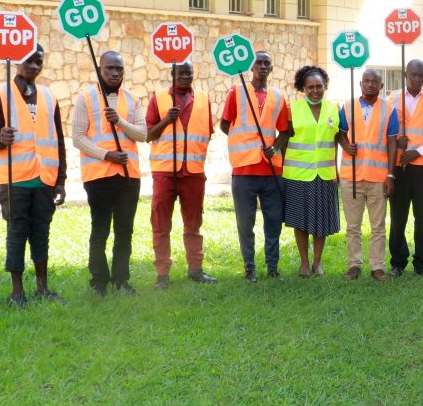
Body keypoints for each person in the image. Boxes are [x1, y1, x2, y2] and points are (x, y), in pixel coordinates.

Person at [0, 45, 66, 307]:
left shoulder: (49, 97)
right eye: (28, 61)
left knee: (41, 232)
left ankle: (43, 287)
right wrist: (0, 138)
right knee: (17, 233)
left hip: (44, 178)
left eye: (38, 61)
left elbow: (59, 140)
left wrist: (61, 179)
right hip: (14, 179)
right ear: (16, 62)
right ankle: (17, 292)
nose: (33, 66)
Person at [72, 51, 145, 296]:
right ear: (100, 70)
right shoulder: (86, 98)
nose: (115, 73)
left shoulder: (132, 98)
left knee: (125, 231)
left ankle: (121, 280)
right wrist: (107, 155)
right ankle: (99, 282)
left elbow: (143, 134)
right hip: (99, 176)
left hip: (129, 176)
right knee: (100, 229)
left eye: (119, 69)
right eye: (109, 69)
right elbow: (78, 138)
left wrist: (121, 122)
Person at [145, 61, 216, 289]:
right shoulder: (158, 98)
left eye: (189, 73)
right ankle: (162, 274)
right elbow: (147, 134)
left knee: (193, 223)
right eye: (180, 73)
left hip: (194, 173)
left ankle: (195, 269)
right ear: (172, 74)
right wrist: (167, 119)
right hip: (164, 172)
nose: (185, 76)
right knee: (161, 223)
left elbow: (207, 133)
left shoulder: (204, 99)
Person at [220, 51, 289, 283]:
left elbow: (286, 131)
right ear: (251, 67)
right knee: (245, 223)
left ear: (271, 68)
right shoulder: (236, 92)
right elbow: (224, 124)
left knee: (273, 221)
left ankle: (272, 267)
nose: (262, 66)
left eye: (266, 63)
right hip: (244, 170)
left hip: (271, 169)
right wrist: (243, 143)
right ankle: (249, 268)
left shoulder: (278, 96)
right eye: (258, 62)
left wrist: (276, 147)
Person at [337, 69, 399, 281]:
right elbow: (340, 133)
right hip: (351, 176)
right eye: (366, 81)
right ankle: (354, 265)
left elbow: (392, 141)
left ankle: (377, 266)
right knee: (353, 226)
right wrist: (346, 146)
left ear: (381, 86)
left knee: (378, 226)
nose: (370, 84)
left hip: (377, 177)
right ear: (360, 83)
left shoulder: (389, 109)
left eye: (375, 82)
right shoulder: (347, 106)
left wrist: (390, 175)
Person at [388, 60, 423, 278]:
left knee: (422, 217)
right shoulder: (392, 98)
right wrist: (394, 139)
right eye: (414, 75)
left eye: (422, 76)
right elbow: (384, 128)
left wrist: (418, 151)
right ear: (405, 74)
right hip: (399, 166)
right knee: (398, 217)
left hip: (422, 167)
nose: (418, 80)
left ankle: (422, 263)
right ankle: (398, 262)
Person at [283, 65, 341, 277]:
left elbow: (335, 140)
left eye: (319, 86)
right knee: (301, 220)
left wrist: (336, 170)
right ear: (303, 88)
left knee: (321, 222)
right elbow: (284, 139)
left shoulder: (333, 109)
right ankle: (304, 263)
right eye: (310, 87)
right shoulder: (292, 109)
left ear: (325, 86)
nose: (315, 91)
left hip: (325, 175)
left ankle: (318, 264)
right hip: (298, 175)